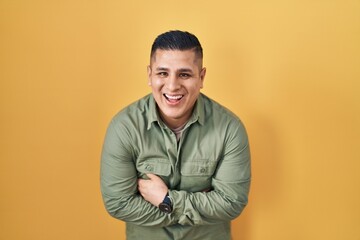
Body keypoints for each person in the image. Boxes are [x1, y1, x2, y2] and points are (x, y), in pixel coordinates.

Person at [100, 30, 251, 240]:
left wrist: (166, 199)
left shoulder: (229, 129)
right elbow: (119, 204)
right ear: (149, 75)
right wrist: (197, 207)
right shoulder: (124, 127)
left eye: (184, 74)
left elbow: (231, 204)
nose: (172, 85)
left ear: (202, 77)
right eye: (163, 73)